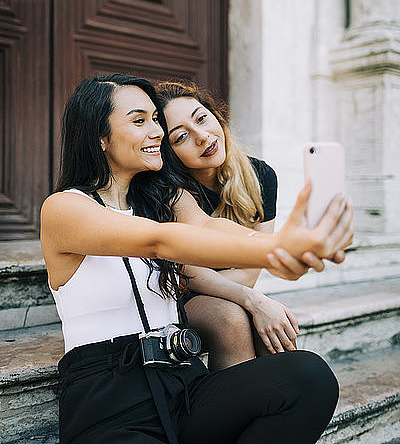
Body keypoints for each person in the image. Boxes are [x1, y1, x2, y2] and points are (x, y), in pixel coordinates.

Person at [40, 74, 353, 444]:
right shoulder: (64, 208)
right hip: (109, 398)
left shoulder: (162, 197)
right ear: (100, 138)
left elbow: (206, 226)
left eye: (156, 119)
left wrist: (286, 242)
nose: (156, 131)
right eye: (139, 121)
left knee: (308, 377)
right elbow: (160, 242)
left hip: (183, 384)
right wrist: (273, 250)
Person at [157, 80, 346, 370]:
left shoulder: (260, 175)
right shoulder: (170, 190)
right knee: (232, 317)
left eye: (202, 118)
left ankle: (279, 409)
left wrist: (250, 297)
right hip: (176, 297)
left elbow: (249, 274)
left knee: (276, 330)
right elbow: (188, 278)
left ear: (215, 116)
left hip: (228, 291)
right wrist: (253, 301)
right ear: (169, 154)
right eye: (181, 137)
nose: (202, 136)